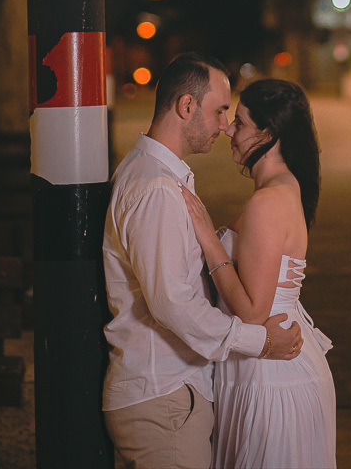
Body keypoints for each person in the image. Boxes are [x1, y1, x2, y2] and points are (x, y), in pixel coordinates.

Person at [102, 53, 302, 469]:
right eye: (219, 111)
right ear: (186, 106)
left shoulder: (158, 175)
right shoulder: (155, 187)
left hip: (171, 394)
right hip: (162, 396)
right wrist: (261, 342)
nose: (225, 126)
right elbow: (173, 304)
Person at [182, 78, 336, 469]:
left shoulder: (269, 201)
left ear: (268, 134)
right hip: (263, 365)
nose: (228, 130)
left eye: (240, 122)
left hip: (273, 375)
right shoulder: (283, 187)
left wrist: (209, 239)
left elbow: (253, 312)